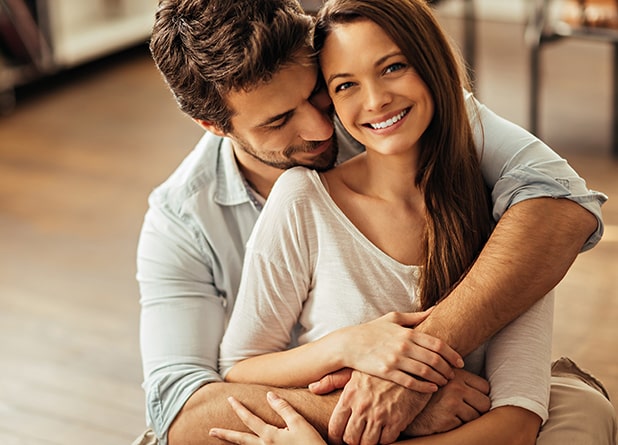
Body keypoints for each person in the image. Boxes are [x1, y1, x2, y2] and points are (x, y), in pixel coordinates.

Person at [135, 0, 611, 444]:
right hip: (305, 408)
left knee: (581, 409)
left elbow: (560, 203)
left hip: (464, 397)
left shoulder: (402, 113)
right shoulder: (182, 222)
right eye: (279, 121)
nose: (323, 130)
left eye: (318, 94)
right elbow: (184, 410)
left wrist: (410, 370)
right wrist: (397, 398)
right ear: (216, 126)